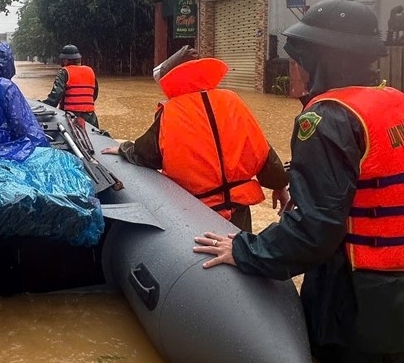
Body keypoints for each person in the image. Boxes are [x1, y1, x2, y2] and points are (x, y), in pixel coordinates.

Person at [194, 0, 404, 363]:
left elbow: (314, 230)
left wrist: (245, 250)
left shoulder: (327, 117)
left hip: (356, 308)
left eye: (304, 58)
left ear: (321, 59)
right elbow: (377, 179)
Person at [102, 46, 290, 231]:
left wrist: (123, 148)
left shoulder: (171, 112)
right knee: (237, 257)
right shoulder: (232, 100)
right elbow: (262, 150)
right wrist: (280, 185)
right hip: (239, 212)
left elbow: (146, 154)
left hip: (196, 213)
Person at [41, 44, 100, 128]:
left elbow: (55, 96)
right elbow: (94, 94)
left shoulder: (64, 72)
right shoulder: (90, 71)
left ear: (65, 60)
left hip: (70, 115)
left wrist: (43, 105)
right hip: (90, 117)